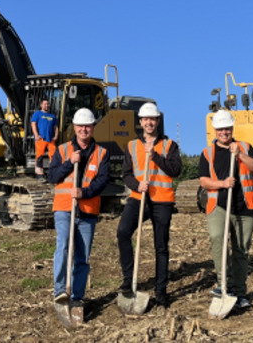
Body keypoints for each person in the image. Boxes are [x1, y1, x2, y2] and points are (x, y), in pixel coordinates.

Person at [117, 102, 182, 309]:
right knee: (123, 232)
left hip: (162, 200)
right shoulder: (131, 146)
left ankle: (161, 290)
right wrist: (138, 185)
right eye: (145, 119)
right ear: (141, 122)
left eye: (152, 119)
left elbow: (175, 170)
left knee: (161, 246)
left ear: (158, 121)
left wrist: (154, 156)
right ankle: (129, 279)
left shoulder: (169, 145)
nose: (149, 123)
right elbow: (126, 174)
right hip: (139, 198)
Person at [48, 108, 109, 321]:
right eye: (80, 126)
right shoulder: (63, 150)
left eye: (88, 126)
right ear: (74, 128)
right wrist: (69, 163)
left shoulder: (101, 153)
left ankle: (77, 297)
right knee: (64, 245)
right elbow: (52, 176)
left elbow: (102, 180)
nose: (84, 129)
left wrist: (84, 192)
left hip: (88, 211)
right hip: (64, 207)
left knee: (82, 256)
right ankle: (60, 291)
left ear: (92, 128)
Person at [199, 109, 253, 310]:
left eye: (227, 128)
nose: (224, 132)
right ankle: (222, 283)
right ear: (215, 131)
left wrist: (240, 155)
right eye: (220, 129)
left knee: (240, 251)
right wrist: (222, 183)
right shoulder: (207, 153)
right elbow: (203, 180)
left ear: (232, 128)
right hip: (218, 206)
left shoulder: (245, 147)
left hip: (245, 207)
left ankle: (240, 292)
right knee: (217, 239)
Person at [31, 98, 58, 180]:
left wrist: (56, 136)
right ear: (41, 105)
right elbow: (33, 124)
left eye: (47, 104)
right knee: (39, 157)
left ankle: (53, 174)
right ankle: (39, 175)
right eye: (45, 104)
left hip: (50, 139)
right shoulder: (37, 114)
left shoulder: (52, 116)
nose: (46, 105)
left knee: (54, 156)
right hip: (41, 139)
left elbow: (56, 127)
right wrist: (36, 135)